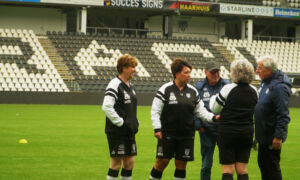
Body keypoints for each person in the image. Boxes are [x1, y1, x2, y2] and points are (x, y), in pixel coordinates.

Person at [149, 58, 218, 180]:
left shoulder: (193, 91)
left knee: (181, 165)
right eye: (186, 72)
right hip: (167, 133)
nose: (189, 75)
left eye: (189, 72)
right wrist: (157, 128)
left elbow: (201, 111)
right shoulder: (165, 89)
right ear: (177, 73)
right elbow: (155, 111)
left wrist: (213, 118)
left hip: (186, 134)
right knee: (162, 162)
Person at [210, 59, 258, 180]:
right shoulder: (254, 90)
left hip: (228, 132)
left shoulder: (228, 88)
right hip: (246, 132)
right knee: (242, 170)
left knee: (228, 170)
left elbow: (215, 109)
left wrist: (213, 97)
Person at [102, 54, 139, 180]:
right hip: (117, 131)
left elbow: (130, 108)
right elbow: (106, 106)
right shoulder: (114, 84)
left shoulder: (130, 86)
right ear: (123, 68)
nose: (134, 69)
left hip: (128, 131)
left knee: (129, 163)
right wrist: (121, 123)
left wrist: (135, 122)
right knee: (116, 164)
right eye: (132, 67)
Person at [255, 56, 291, 180]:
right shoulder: (265, 82)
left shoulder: (280, 87)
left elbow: (283, 114)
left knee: (271, 169)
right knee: (264, 166)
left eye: (259, 68)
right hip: (263, 136)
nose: (256, 71)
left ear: (269, 69)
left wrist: (278, 136)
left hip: (272, 137)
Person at [195, 61, 230, 180]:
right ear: (206, 72)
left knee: (227, 164)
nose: (216, 74)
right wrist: (199, 126)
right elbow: (194, 108)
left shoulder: (227, 85)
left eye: (217, 71)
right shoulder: (199, 87)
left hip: (224, 131)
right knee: (206, 165)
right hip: (206, 131)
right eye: (213, 72)